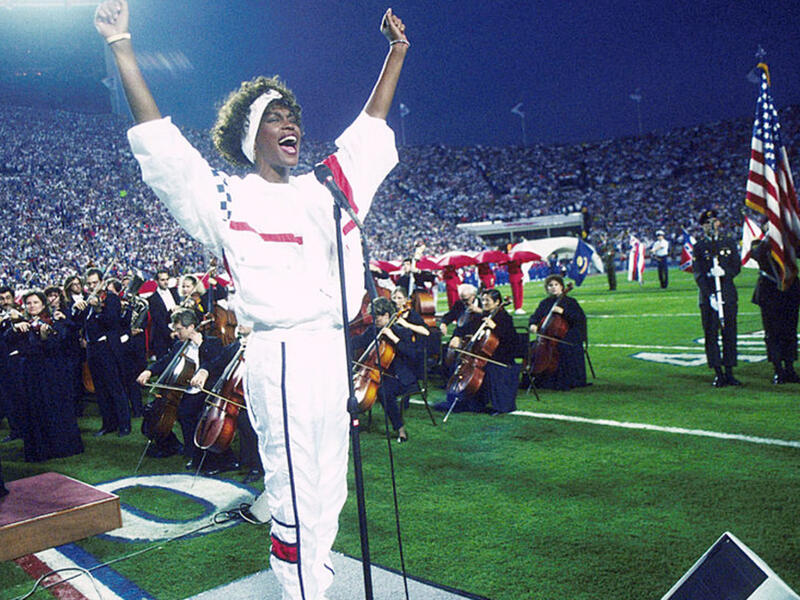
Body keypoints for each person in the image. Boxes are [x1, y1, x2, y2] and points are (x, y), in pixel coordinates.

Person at [94, 1, 408, 597]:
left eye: (293, 115)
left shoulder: (327, 192)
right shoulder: (229, 198)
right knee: (294, 488)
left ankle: (314, 579)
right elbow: (165, 151)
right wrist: (122, 44)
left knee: (331, 487)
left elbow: (368, 133)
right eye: (275, 117)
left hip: (331, 352)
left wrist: (395, 54)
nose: (291, 123)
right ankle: (300, 591)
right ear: (250, 136)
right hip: (281, 352)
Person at [351, 297, 423, 442]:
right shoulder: (373, 330)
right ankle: (350, 425)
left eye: (377, 317)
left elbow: (413, 354)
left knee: (384, 391)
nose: (374, 320)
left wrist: (394, 339)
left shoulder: (402, 331)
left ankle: (400, 429)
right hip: (378, 374)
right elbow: (358, 342)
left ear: (387, 315)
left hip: (401, 377)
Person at [437, 288, 519, 414]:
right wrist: (456, 336)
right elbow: (464, 328)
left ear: (497, 302)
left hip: (499, 357)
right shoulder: (482, 316)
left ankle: (495, 406)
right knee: (458, 363)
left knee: (489, 370)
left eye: (488, 300)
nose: (484, 303)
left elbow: (512, 341)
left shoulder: (504, 317)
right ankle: (460, 400)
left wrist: (495, 327)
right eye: (483, 300)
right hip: (481, 356)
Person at [693, 209, 740, 387]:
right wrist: (709, 295)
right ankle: (718, 373)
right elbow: (698, 274)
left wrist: (725, 273)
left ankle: (730, 371)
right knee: (711, 335)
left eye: (713, 222)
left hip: (727, 294)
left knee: (730, 334)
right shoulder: (699, 246)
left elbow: (736, 266)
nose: (710, 226)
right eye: (706, 223)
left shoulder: (728, 242)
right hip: (709, 297)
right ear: (702, 227)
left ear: (718, 223)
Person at [750, 234, 800, 384]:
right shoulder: (761, 244)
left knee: (790, 331)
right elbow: (756, 255)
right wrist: (769, 238)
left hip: (790, 290)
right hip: (769, 292)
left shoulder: (790, 241)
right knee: (773, 333)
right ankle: (778, 369)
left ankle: (790, 368)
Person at [527, 274, 587, 391]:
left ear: (561, 287)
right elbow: (536, 316)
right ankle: (538, 377)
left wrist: (563, 312)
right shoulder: (545, 303)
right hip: (547, 337)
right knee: (532, 347)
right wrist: (533, 324)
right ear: (547, 288)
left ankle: (563, 380)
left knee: (562, 348)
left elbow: (579, 319)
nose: (553, 287)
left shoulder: (570, 302)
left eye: (556, 285)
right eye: (550, 285)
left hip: (569, 335)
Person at [147, 269, 179, 359]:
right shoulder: (152, 299)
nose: (165, 282)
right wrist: (170, 333)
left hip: (177, 332)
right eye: (162, 280)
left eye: (167, 279)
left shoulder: (174, 292)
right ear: (156, 282)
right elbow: (158, 320)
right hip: (162, 336)